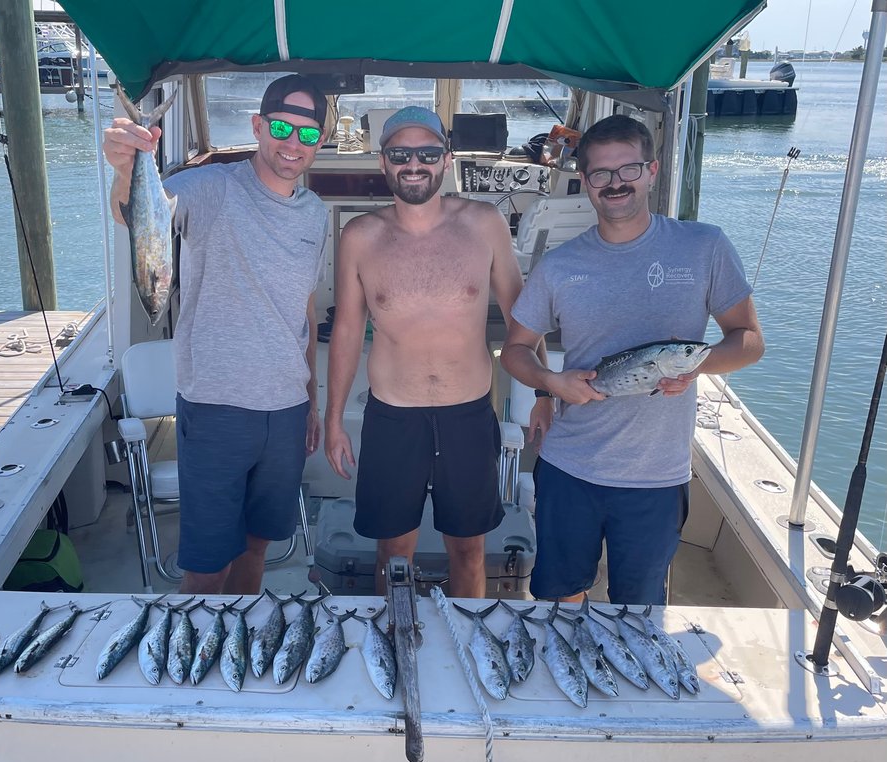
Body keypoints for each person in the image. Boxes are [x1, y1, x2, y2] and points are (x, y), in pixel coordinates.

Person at [501, 113, 764, 606]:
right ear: (585, 182)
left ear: (652, 171)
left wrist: (694, 366)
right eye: (601, 173)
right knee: (560, 598)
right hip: (569, 466)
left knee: (638, 610)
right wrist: (551, 383)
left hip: (657, 475)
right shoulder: (560, 265)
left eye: (628, 169)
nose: (615, 183)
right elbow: (514, 351)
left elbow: (748, 340)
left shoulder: (704, 247)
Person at [103, 75, 330, 595]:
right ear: (258, 126)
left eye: (308, 135)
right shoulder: (212, 189)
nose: (293, 144)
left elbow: (304, 309)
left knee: (257, 548)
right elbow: (140, 215)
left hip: (287, 410)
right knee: (207, 566)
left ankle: (241, 642)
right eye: (281, 127)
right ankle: (198, 662)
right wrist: (126, 169)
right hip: (216, 409)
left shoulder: (314, 214)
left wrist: (311, 401)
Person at [324, 106, 525, 598]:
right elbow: (348, 330)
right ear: (383, 163)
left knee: (470, 551)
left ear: (447, 159)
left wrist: (541, 394)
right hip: (394, 416)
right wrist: (332, 420)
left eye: (428, 153)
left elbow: (525, 315)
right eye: (400, 154)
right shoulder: (360, 236)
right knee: (393, 555)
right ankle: (394, 648)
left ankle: (463, 655)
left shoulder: (484, 223)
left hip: (469, 414)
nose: (414, 164)